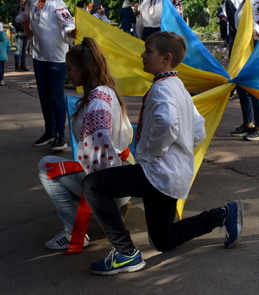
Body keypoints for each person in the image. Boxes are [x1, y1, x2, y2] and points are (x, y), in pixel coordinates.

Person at [81, 32, 243, 275]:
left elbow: (167, 123)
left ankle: (126, 253)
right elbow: (198, 127)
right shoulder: (178, 87)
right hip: (172, 173)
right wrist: (181, 146)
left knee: (93, 184)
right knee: (163, 241)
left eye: (148, 51)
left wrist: (154, 151)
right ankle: (223, 214)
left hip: (157, 171)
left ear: (166, 58)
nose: (142, 55)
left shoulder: (161, 90)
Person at [37, 37, 133, 251]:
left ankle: (73, 232)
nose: (67, 73)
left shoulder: (97, 101)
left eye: (70, 68)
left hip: (110, 184)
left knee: (46, 166)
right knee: (61, 166)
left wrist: (96, 189)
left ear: (83, 68)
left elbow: (100, 152)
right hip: (120, 178)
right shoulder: (106, 91)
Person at [15, 0, 76, 150]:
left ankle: (60, 135)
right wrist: (26, 26)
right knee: (43, 95)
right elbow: (22, 15)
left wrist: (72, 33)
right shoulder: (33, 0)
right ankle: (49, 131)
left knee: (56, 95)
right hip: (39, 55)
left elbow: (68, 24)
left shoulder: (58, 4)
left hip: (56, 57)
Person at [226, 0, 259, 141]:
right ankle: (248, 123)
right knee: (242, 86)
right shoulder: (245, 1)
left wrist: (254, 32)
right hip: (243, 46)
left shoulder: (256, 1)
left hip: (254, 46)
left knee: (253, 87)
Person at [12, 0, 29, 72]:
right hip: (19, 32)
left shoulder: (27, 11)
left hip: (26, 33)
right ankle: (17, 65)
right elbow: (14, 22)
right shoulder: (16, 11)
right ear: (18, 3)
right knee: (18, 50)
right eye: (21, 2)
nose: (22, 3)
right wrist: (23, 28)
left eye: (24, 2)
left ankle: (23, 64)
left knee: (24, 50)